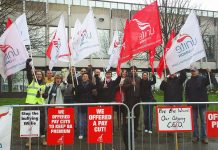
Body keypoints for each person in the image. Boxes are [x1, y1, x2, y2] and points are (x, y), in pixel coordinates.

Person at [185, 66, 214, 144]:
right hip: (193, 104)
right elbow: (186, 93)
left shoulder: (203, 79)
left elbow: (210, 80)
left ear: (197, 71)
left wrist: (210, 72)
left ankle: (204, 137)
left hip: (202, 104)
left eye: (194, 70)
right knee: (194, 121)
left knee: (203, 121)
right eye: (192, 71)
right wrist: (188, 101)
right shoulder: (188, 81)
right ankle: (195, 136)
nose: (193, 72)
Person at [25, 58, 47, 146]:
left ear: (42, 75)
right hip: (30, 104)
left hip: (40, 105)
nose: (38, 75)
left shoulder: (44, 84)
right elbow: (28, 74)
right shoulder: (32, 81)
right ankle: (29, 140)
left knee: (41, 124)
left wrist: (42, 94)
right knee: (30, 122)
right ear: (34, 75)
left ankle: (43, 139)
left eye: (40, 74)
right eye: (37, 74)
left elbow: (46, 96)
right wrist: (28, 65)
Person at [75, 73, 97, 139]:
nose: (85, 77)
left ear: (88, 78)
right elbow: (77, 94)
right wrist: (74, 89)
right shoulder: (78, 85)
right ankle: (81, 133)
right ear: (82, 78)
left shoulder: (92, 84)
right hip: (81, 103)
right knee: (81, 120)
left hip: (90, 103)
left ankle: (89, 132)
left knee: (89, 120)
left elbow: (95, 93)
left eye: (86, 76)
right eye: (83, 76)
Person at [123, 66, 141, 132]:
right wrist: (131, 84)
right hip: (129, 99)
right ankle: (130, 127)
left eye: (134, 70)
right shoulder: (127, 78)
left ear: (136, 71)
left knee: (137, 113)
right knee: (130, 113)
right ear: (130, 71)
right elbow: (124, 87)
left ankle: (136, 127)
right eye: (132, 70)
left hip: (137, 98)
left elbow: (141, 88)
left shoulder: (139, 78)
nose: (133, 71)